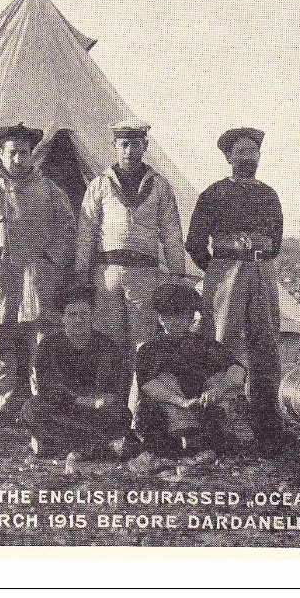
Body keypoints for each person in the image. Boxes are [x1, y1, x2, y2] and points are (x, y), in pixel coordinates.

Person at [0, 123, 76, 423]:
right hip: (0, 280)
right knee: (1, 344)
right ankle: (2, 406)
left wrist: (49, 259)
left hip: (37, 279)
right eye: (13, 153)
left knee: (42, 344)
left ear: (32, 154)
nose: (19, 160)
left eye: (24, 153)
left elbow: (68, 229)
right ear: (2, 153)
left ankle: (44, 405)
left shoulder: (50, 191)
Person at [74, 119, 185, 424]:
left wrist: (176, 278)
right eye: (125, 144)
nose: (131, 150)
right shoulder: (99, 185)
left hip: (145, 275)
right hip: (107, 273)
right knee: (108, 343)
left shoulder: (160, 186)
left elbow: (172, 234)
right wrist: (82, 277)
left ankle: (138, 413)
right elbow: (87, 233)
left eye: (137, 144)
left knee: (142, 345)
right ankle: (108, 411)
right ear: (115, 146)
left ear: (145, 146)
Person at [185, 127, 285, 451]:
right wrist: (218, 272)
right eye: (240, 151)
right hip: (226, 271)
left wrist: (257, 260)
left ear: (259, 156)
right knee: (222, 343)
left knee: (266, 345)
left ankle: (267, 425)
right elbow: (195, 243)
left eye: (252, 151)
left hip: (262, 272)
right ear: (229, 157)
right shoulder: (213, 194)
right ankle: (218, 424)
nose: (247, 157)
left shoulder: (269, 194)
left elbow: (276, 241)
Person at [20, 282, 135, 458]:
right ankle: (95, 446)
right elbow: (47, 388)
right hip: (63, 407)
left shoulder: (106, 346)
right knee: (32, 409)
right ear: (63, 318)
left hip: (95, 411)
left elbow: (113, 388)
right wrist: (79, 400)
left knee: (121, 414)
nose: (79, 320)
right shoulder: (48, 345)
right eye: (73, 315)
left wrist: (103, 399)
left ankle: (60, 445)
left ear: (92, 316)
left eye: (84, 314)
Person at [134, 282, 246, 455]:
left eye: (181, 315)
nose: (175, 321)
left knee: (221, 379)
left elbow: (238, 369)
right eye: (169, 316)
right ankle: (186, 438)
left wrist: (217, 389)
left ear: (190, 317)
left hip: (203, 406)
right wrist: (182, 402)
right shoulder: (150, 349)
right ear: (160, 318)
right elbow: (147, 384)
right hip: (171, 409)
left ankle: (210, 435)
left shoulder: (202, 344)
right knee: (165, 381)